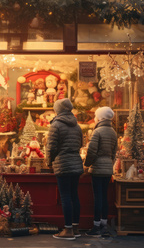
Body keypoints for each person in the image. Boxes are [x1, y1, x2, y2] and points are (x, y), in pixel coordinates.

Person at [46, 98, 84, 240]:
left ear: (58, 110)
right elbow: (81, 143)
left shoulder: (56, 125)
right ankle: (75, 228)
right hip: (75, 162)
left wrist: (49, 162)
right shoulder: (77, 125)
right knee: (74, 195)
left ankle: (67, 230)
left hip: (62, 163)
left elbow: (51, 147)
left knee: (65, 196)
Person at [84, 107, 117, 237]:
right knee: (104, 197)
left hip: (97, 168)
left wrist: (86, 165)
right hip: (108, 168)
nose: (95, 118)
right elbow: (114, 152)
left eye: (96, 116)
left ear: (100, 118)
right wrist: (110, 164)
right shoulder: (113, 132)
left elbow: (92, 151)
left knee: (98, 197)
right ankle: (104, 225)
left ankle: (96, 226)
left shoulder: (97, 132)